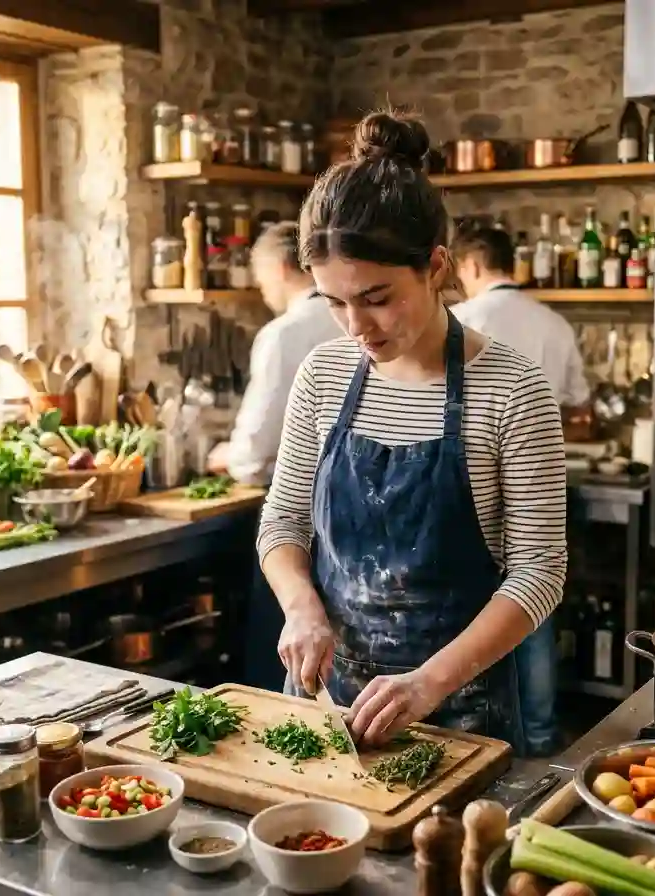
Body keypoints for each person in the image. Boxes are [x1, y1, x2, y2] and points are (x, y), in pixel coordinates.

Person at [257, 111, 568, 752]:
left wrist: (428, 683)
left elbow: (540, 572)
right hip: (323, 711)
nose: (355, 327)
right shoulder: (322, 374)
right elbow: (283, 522)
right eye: (334, 302)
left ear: (435, 266)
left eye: (376, 297)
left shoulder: (513, 389)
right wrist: (300, 607)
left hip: (460, 713)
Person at [450, 226, 591, 756]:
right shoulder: (552, 321)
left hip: (475, 490)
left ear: (470, 267)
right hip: (543, 480)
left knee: (490, 607)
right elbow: (578, 399)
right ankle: (539, 734)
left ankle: (488, 739)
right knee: (536, 603)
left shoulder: (461, 323)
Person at [207, 221, 339, 692]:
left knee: (285, 667)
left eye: (261, 279)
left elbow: (253, 452)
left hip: (304, 531)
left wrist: (224, 454)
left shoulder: (285, 333)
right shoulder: (338, 325)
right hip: (316, 533)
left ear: (282, 268)